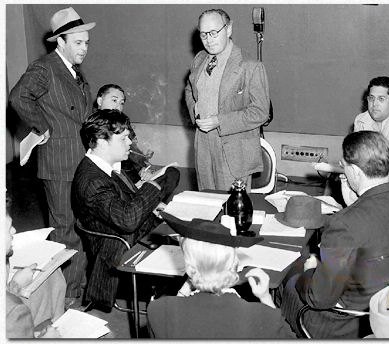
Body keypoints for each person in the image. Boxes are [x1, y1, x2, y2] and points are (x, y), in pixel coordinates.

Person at [279, 131, 389, 339]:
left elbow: (319, 299)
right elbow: (377, 233)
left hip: (347, 324)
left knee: (287, 280)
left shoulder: (344, 223)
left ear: (356, 172)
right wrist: (355, 204)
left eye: (345, 166)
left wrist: (309, 271)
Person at [8, 7, 96, 306]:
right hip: (60, 163)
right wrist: (43, 127)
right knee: (65, 231)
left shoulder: (73, 72)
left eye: (86, 42)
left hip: (80, 160)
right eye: (78, 42)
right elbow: (19, 96)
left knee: (81, 227)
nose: (84, 48)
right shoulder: (45, 68)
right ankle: (64, 299)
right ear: (61, 41)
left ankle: (78, 289)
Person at [72, 109, 179, 311]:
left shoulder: (105, 167)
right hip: (119, 246)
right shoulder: (93, 180)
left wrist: (152, 205)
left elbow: (122, 203)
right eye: (123, 138)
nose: (130, 142)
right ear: (101, 141)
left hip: (128, 233)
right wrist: (153, 186)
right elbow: (127, 220)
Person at [147, 213, 295, 339]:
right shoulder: (263, 316)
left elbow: (172, 320)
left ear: (189, 267)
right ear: (234, 264)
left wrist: (186, 286)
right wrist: (265, 298)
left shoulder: (157, 311)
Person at [185, 8, 270, 191]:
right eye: (204, 34)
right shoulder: (199, 59)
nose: (209, 39)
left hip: (234, 150)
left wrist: (218, 121)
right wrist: (196, 111)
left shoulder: (250, 66)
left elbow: (260, 112)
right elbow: (189, 88)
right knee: (207, 205)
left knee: (231, 211)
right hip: (204, 146)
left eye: (214, 33)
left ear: (229, 29)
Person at [6, 196, 62, 338]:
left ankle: (57, 321)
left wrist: (14, 284)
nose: (14, 231)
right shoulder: (15, 312)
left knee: (52, 269)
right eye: (7, 229)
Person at [95, 84, 155, 183]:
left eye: (121, 103)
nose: (118, 107)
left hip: (129, 174)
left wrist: (143, 167)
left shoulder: (124, 123)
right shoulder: (93, 125)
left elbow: (133, 150)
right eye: (114, 100)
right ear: (100, 101)